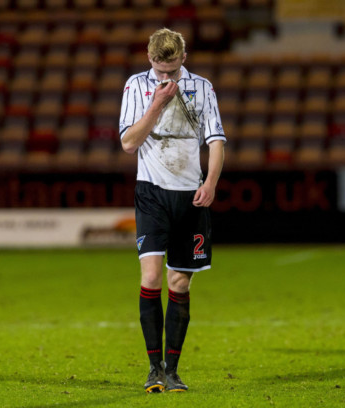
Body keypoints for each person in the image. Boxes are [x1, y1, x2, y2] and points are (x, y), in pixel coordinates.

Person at [119, 28, 226, 392]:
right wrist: (156, 105)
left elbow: (216, 140)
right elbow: (129, 143)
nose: (165, 77)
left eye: (173, 69)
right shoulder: (136, 86)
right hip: (151, 193)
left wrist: (210, 183)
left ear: (184, 58)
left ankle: (173, 370)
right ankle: (153, 369)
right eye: (160, 70)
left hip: (190, 196)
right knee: (150, 278)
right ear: (150, 60)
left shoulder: (203, 88)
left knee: (179, 282)